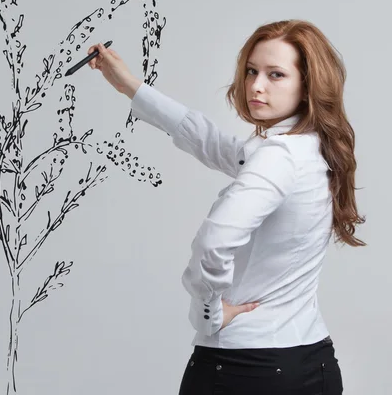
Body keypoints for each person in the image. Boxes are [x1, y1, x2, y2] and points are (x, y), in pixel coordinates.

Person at [87, 20, 365, 395]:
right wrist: (129, 86)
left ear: (308, 84)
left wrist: (208, 313)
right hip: (312, 362)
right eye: (252, 71)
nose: (256, 85)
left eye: (276, 74)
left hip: (246, 369)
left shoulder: (278, 157)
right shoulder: (311, 148)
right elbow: (212, 142)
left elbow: (213, 241)